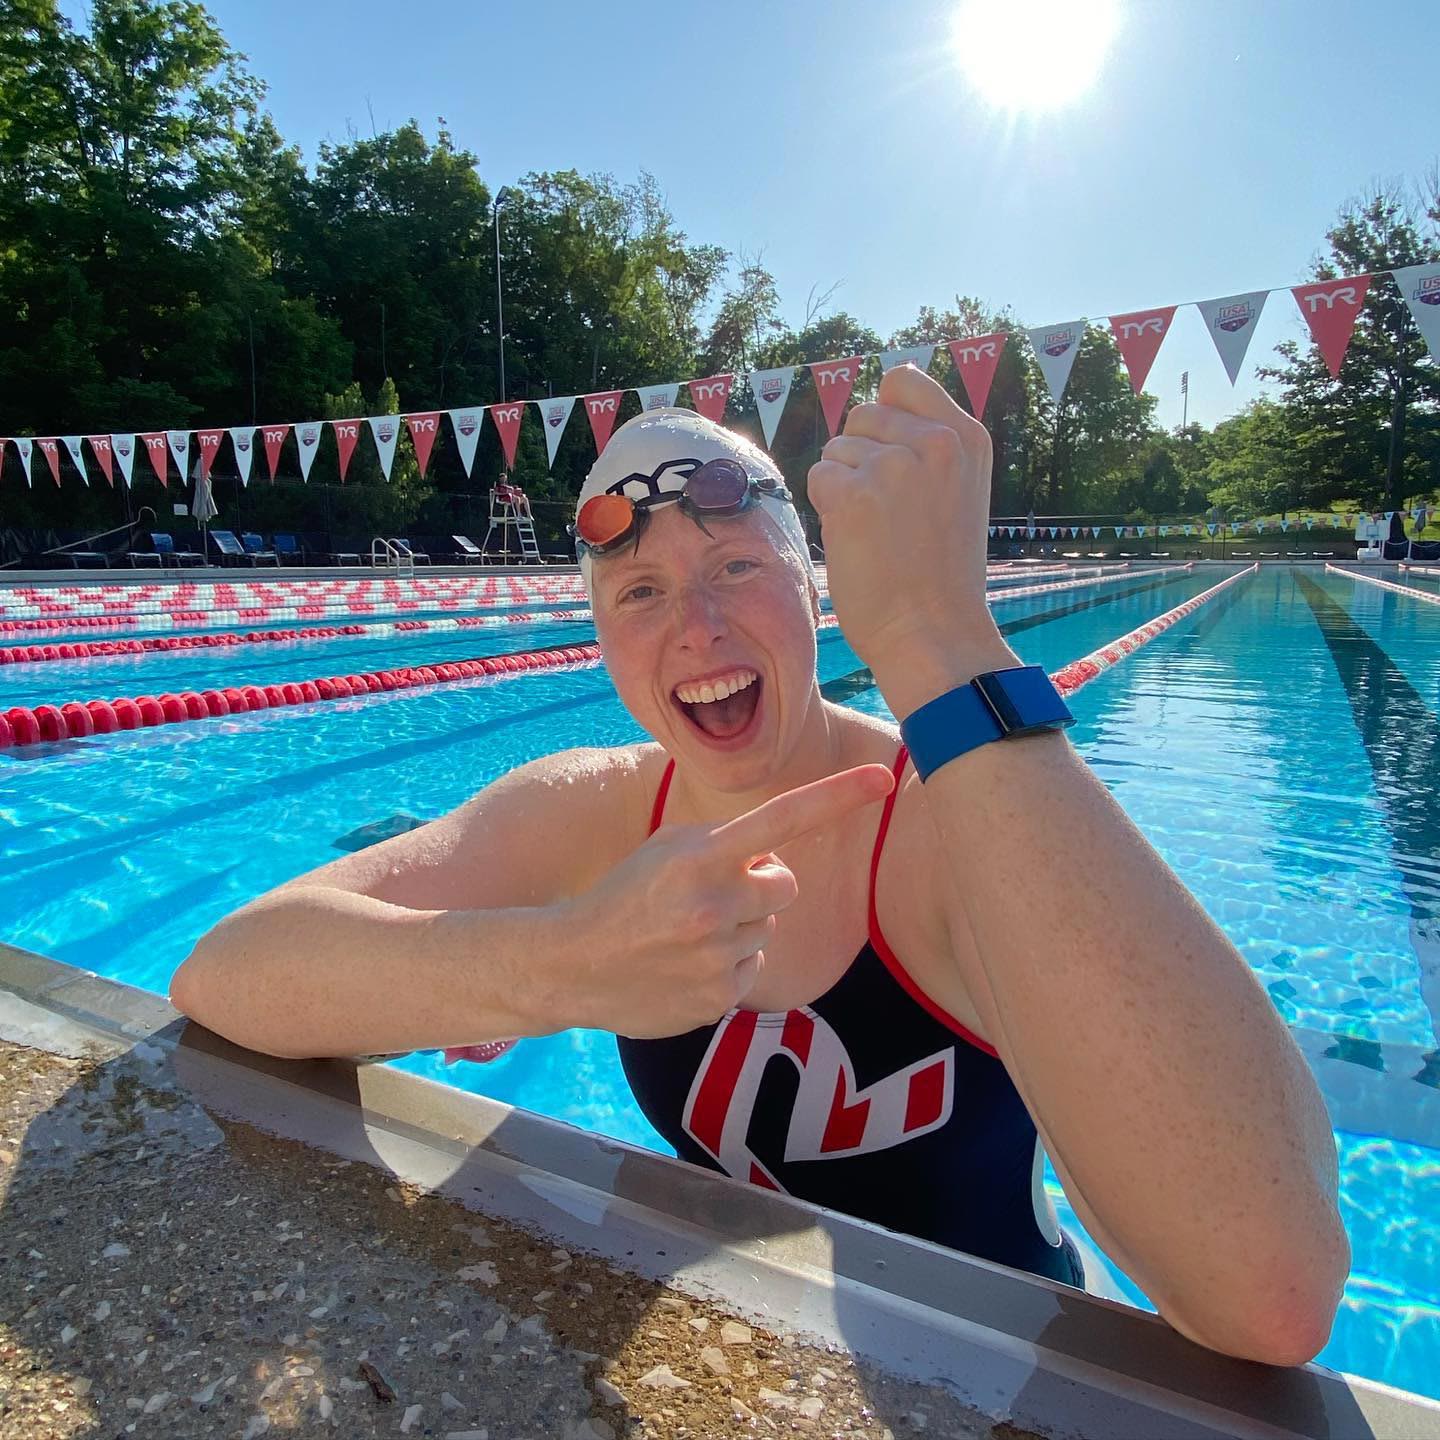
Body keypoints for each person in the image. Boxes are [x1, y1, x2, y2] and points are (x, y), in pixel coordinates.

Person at [171, 366, 1347, 1366]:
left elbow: (1270, 1292)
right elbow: (226, 974)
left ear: (812, 583)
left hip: (1007, 1378)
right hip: (738, 1357)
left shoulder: (950, 823)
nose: (699, 630)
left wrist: (941, 644)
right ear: (600, 637)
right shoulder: (590, 810)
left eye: (736, 566)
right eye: (641, 592)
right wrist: (546, 965)